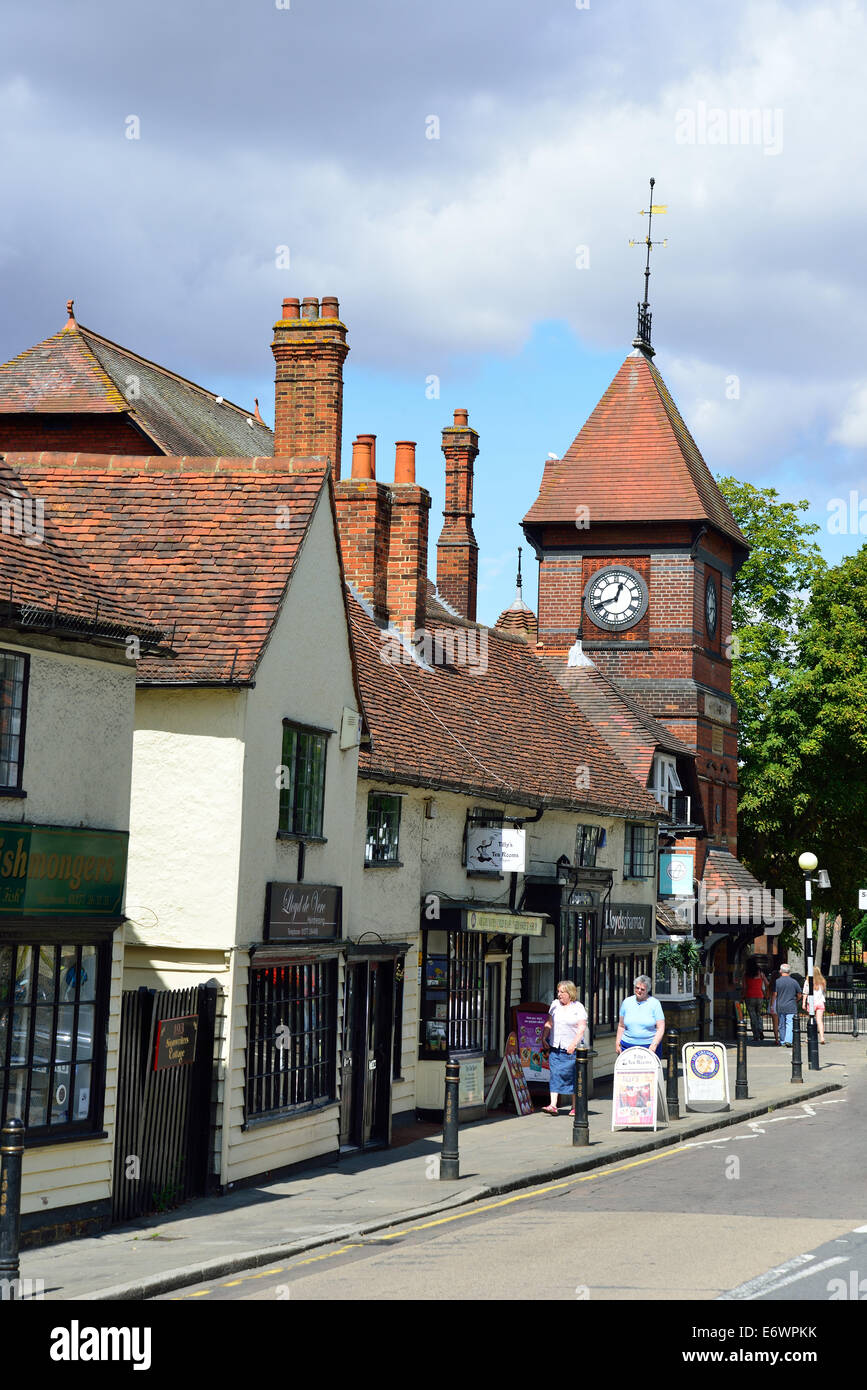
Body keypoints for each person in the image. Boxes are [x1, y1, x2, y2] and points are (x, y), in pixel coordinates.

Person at [541, 980, 587, 1116]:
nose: (559, 994)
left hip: (572, 1048)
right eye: (558, 991)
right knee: (554, 1074)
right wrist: (544, 1037)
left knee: (572, 1076)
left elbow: (582, 1028)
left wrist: (574, 1044)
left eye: (562, 992)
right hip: (556, 1046)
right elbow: (549, 1023)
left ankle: (574, 1107)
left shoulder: (578, 1008)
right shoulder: (554, 1005)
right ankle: (553, 1105)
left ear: (570, 993)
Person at [615, 975, 665, 1056]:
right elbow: (621, 1026)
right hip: (627, 1046)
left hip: (649, 1047)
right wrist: (617, 1043)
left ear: (647, 990)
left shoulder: (655, 1003)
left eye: (642, 989)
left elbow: (661, 1027)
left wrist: (654, 1045)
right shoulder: (626, 1002)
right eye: (637, 988)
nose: (639, 991)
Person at [771, 963, 799, 1046]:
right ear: (789, 971)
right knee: (790, 1023)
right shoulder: (794, 981)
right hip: (791, 1005)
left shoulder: (777, 982)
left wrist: (772, 1005)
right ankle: (789, 1040)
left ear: (780, 971)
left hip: (780, 1005)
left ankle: (782, 1040)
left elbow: (774, 994)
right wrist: (796, 1000)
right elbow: (799, 994)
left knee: (781, 1024)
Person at [743, 960, 768, 1043]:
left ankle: (756, 1035)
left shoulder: (746, 974)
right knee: (759, 1014)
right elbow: (767, 983)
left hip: (749, 996)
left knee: (752, 1016)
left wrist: (742, 996)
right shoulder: (760, 973)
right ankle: (760, 1029)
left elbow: (744, 987)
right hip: (759, 996)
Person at [803, 967, 827, 1044]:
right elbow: (824, 992)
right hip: (820, 1002)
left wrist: (803, 1003)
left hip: (812, 1002)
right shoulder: (822, 981)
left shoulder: (808, 981)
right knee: (819, 1021)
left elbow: (805, 992)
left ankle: (808, 1037)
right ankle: (822, 1037)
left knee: (811, 1020)